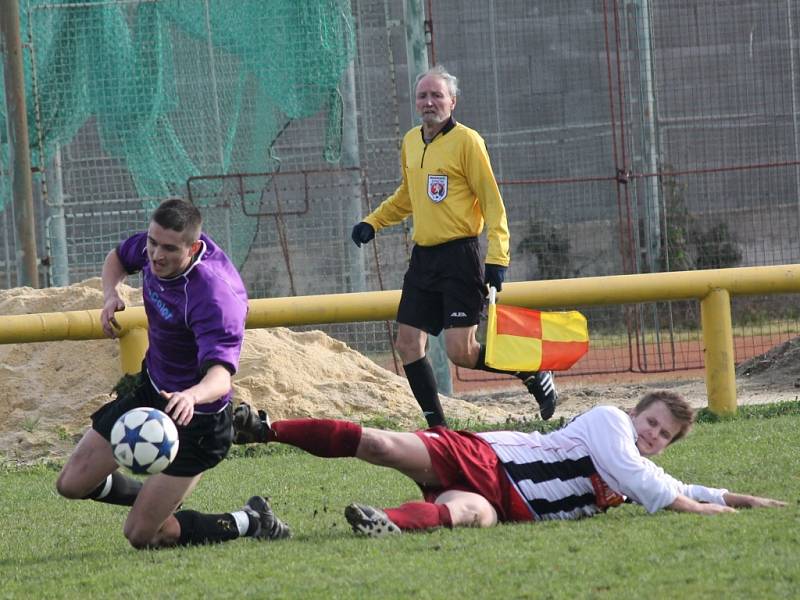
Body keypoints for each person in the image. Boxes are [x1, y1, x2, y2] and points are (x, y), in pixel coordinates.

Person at [55, 198, 290, 548]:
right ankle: (155, 500)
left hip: (199, 420)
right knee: (71, 484)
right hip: (151, 390)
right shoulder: (155, 247)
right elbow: (118, 258)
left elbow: (220, 376)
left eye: (167, 249)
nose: (155, 255)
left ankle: (251, 521)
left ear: (193, 247)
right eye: (152, 243)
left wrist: (190, 395)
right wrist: (110, 293)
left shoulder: (214, 296)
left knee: (142, 535)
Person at [231, 390, 786, 537]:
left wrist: (740, 500)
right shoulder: (609, 424)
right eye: (651, 422)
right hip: (489, 457)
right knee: (381, 444)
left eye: (662, 435)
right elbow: (646, 482)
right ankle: (263, 428)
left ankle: (384, 521)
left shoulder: (648, 469)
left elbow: (679, 485)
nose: (651, 435)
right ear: (635, 413)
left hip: (509, 505)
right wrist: (696, 511)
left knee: (469, 515)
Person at [350, 64, 557, 427]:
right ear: (416, 103)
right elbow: (408, 195)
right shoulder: (411, 141)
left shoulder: (468, 142)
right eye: (423, 96)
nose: (429, 102)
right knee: (408, 344)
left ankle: (531, 371)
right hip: (424, 258)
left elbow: (492, 202)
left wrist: (498, 256)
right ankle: (438, 429)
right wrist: (373, 221)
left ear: (452, 102)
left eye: (437, 95)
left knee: (461, 352)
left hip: (460, 257)